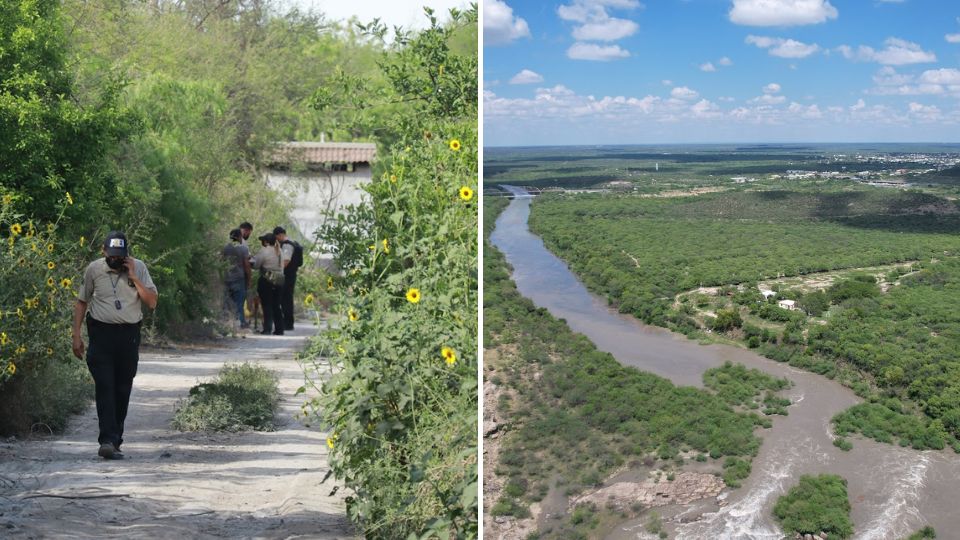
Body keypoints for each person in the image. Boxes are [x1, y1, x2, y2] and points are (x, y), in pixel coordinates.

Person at [71, 231, 158, 460]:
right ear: (104, 251)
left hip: (128, 336)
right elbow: (82, 302)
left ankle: (115, 438)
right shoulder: (94, 269)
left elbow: (151, 302)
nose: (116, 260)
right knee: (105, 386)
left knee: (122, 387)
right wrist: (76, 336)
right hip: (101, 334)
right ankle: (107, 440)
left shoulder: (138, 267)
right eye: (112, 255)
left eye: (121, 256)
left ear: (126, 255)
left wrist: (134, 277)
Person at [250, 232, 284, 335]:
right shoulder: (280, 251)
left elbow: (256, 265)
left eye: (262, 241)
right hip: (279, 279)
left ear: (266, 242)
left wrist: (250, 261)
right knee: (276, 305)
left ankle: (267, 329)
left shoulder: (264, 251)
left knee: (267, 305)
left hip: (267, 278)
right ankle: (279, 329)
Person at [273, 226, 302, 331]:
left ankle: (288, 323)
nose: (276, 240)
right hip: (290, 275)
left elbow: (286, 261)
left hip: (287, 275)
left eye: (277, 237)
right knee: (286, 299)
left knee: (285, 299)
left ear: (280, 235)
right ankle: (287, 323)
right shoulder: (292, 243)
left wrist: (277, 270)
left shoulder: (287, 245)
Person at [222, 228, 251, 328]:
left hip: (227, 279)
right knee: (239, 303)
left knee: (227, 303)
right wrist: (249, 279)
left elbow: (220, 263)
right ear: (240, 237)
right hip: (239, 279)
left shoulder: (225, 248)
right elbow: (247, 265)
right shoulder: (243, 248)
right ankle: (240, 323)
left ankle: (227, 324)